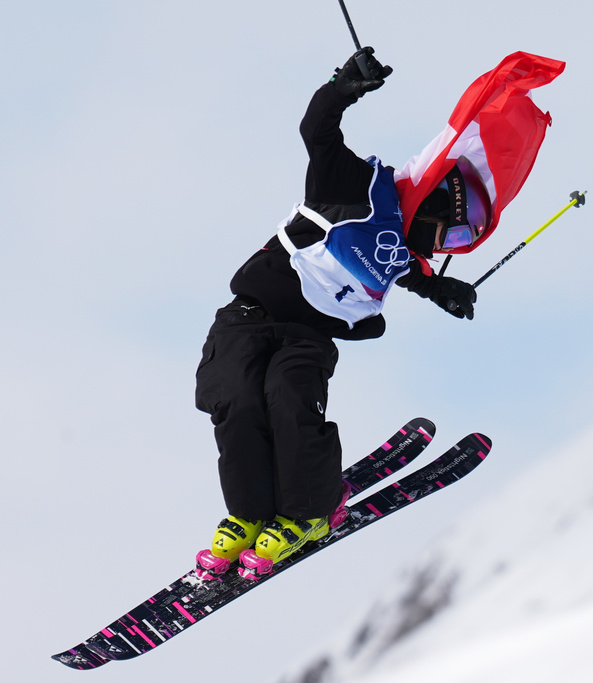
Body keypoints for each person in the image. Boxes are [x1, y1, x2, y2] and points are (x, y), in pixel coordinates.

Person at [193, 47, 491, 580]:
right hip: (250, 314)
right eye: (457, 230)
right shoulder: (354, 187)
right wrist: (344, 87)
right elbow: (317, 130)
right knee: (236, 401)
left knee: (287, 400)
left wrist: (442, 290)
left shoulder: (401, 253)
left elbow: (410, 276)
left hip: (307, 338)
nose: (454, 244)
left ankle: (309, 512)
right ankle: (250, 513)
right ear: (432, 206)